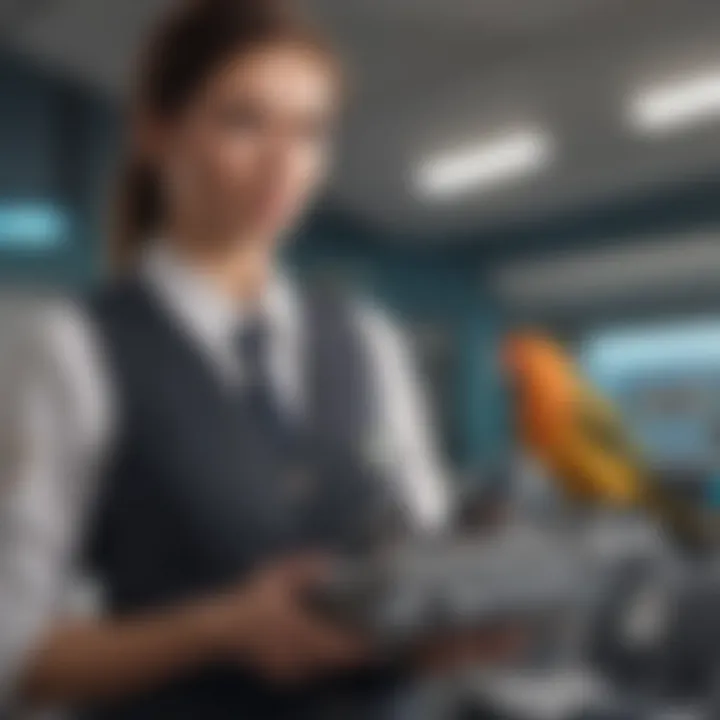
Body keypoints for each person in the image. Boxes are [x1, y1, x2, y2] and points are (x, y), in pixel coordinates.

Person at [0, 1, 495, 717]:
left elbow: (421, 570)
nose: (283, 163)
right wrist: (218, 628)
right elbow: (15, 651)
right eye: (243, 122)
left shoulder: (369, 340)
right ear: (154, 131)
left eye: (310, 132)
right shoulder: (79, 347)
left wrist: (447, 628)